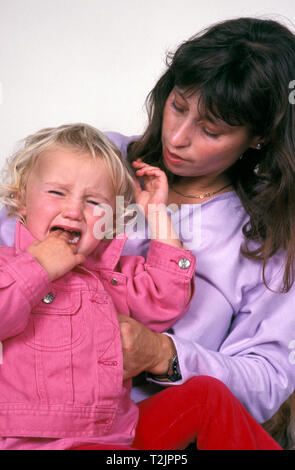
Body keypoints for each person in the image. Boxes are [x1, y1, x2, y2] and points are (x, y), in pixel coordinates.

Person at [0, 16, 293, 450]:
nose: (176, 137)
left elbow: (269, 378)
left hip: (140, 432)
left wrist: (162, 354)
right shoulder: (94, 158)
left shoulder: (266, 242)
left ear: (258, 139)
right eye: (178, 105)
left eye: (210, 130)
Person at [0, 123, 196, 450]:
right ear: (21, 201)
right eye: (56, 192)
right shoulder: (7, 267)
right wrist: (39, 268)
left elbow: (166, 298)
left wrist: (157, 214)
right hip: (32, 441)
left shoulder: (110, 275)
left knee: (207, 398)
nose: (74, 210)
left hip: (113, 439)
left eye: (94, 202)